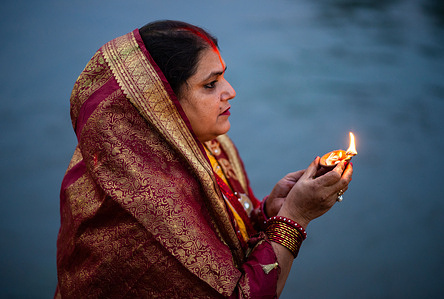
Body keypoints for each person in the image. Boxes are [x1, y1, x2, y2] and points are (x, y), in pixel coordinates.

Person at [55, 20, 353, 298]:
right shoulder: (144, 207)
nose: (231, 91)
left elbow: (224, 245)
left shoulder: (208, 148)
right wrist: (295, 217)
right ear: (160, 104)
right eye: (211, 84)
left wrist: (268, 214)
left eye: (223, 77)